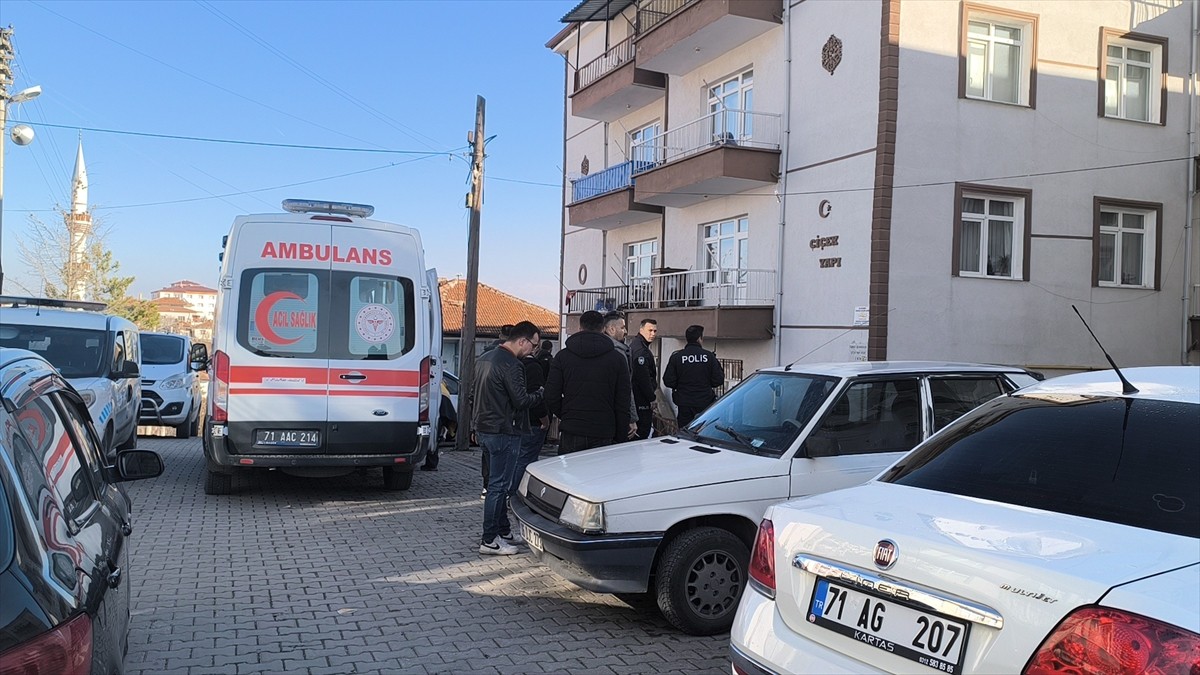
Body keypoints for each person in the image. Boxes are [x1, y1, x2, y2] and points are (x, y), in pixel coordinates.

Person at [471, 321, 543, 555]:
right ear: (522, 341)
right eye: (533, 345)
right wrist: (540, 394)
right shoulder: (512, 364)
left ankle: (503, 531)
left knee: (496, 483)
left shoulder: (485, 358)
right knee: (499, 486)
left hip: (485, 427)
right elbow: (521, 400)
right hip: (504, 429)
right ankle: (489, 539)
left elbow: (473, 393)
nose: (533, 350)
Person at [544, 310, 632, 454]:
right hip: (604, 429)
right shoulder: (617, 359)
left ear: (580, 327)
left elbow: (550, 395)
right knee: (600, 475)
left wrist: (567, 414)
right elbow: (623, 400)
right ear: (603, 329)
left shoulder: (562, 357)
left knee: (570, 475)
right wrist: (621, 435)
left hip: (572, 429)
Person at [662, 325, 725, 429]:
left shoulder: (677, 357)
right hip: (705, 404)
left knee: (685, 434)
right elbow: (718, 380)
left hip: (684, 404)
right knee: (703, 432)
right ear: (699, 338)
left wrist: (681, 385)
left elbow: (668, 381)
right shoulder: (709, 357)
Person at [481, 323, 515, 497]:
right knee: (499, 479)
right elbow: (518, 397)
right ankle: (494, 521)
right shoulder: (510, 361)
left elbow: (472, 393)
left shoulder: (484, 357)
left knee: (488, 460)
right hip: (500, 422)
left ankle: (486, 485)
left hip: (483, 421)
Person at [512, 347, 550, 499]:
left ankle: (512, 493)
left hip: (514, 420)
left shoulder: (511, 364)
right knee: (527, 460)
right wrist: (544, 419)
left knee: (518, 459)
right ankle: (516, 494)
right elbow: (536, 396)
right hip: (532, 421)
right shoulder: (533, 367)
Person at [602, 311, 639, 441]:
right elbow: (626, 388)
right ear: (611, 329)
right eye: (622, 328)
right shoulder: (619, 353)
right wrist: (632, 418)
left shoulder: (598, 348)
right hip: (615, 416)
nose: (626, 331)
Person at [628, 318, 659, 439]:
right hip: (641, 400)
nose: (653, 334)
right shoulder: (641, 351)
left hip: (637, 399)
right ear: (641, 330)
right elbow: (643, 378)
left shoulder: (637, 345)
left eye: (655, 331)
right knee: (641, 433)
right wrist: (651, 398)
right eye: (650, 330)